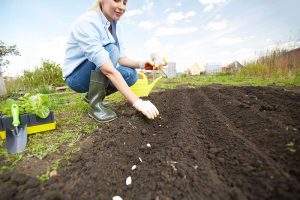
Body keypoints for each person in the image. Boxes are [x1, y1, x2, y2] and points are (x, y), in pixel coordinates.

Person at [61, 0, 159, 122]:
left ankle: (92, 96)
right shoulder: (87, 22)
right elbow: (107, 69)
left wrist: (145, 64)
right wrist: (138, 102)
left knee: (131, 74)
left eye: (124, 3)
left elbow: (122, 59)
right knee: (111, 49)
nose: (122, 7)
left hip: (96, 70)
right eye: (117, 0)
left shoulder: (115, 25)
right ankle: (95, 106)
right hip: (76, 77)